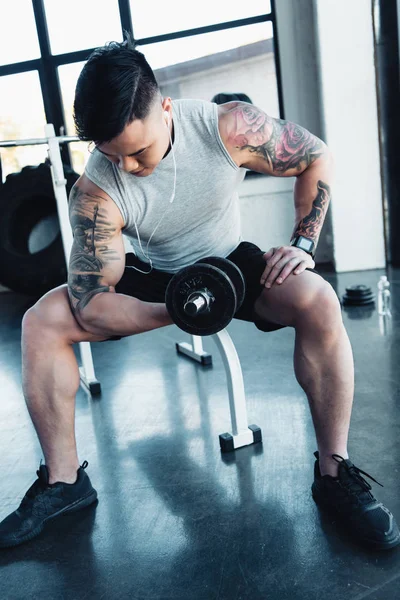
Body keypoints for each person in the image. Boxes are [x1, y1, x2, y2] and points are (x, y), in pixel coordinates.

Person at [0, 37, 398, 551]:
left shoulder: (225, 128)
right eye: (110, 155)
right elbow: (92, 302)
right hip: (153, 275)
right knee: (42, 320)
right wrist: (176, 308)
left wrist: (303, 243)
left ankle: (333, 471)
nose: (128, 169)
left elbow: (315, 156)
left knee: (319, 299)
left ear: (165, 108)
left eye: (138, 152)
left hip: (231, 259)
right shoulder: (96, 192)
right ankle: (65, 482)